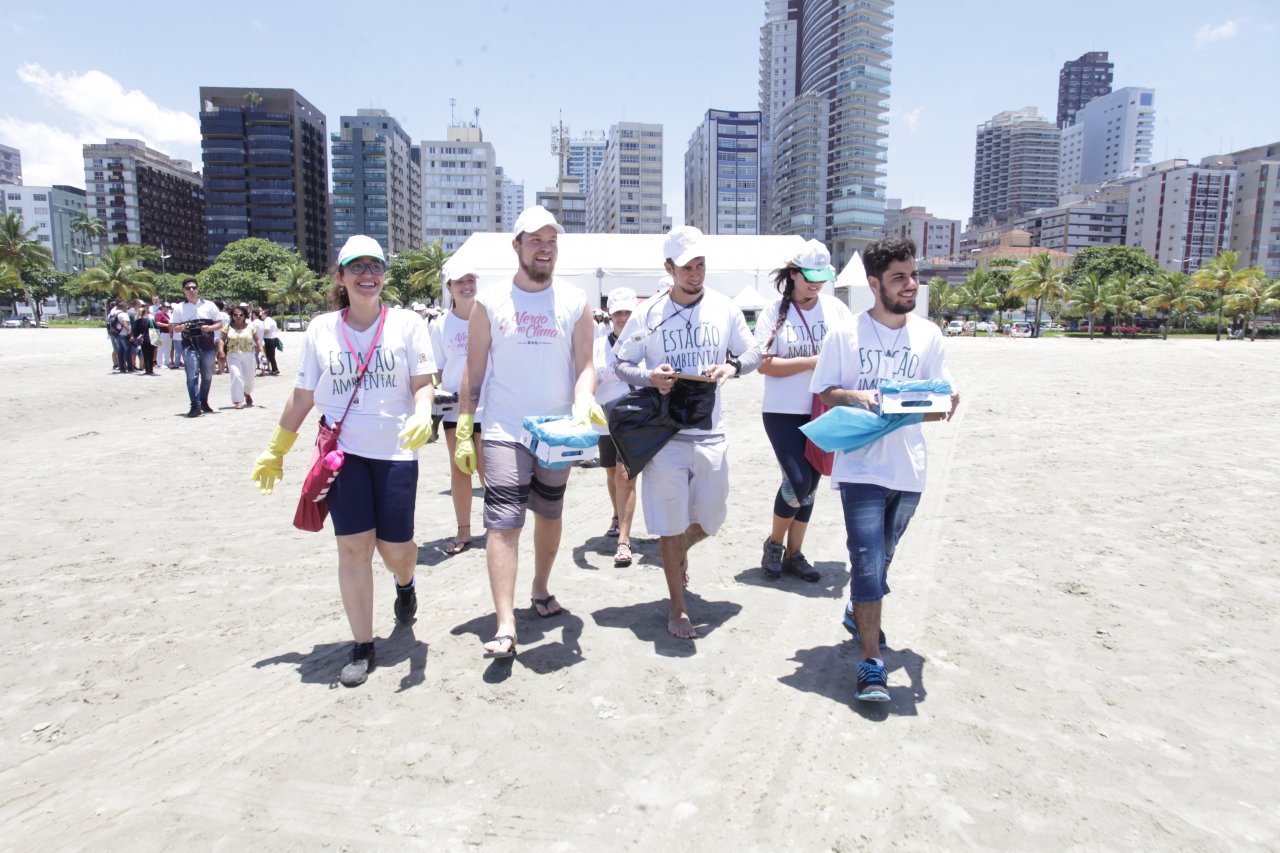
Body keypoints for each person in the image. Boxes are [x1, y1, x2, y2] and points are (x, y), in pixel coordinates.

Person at [251, 234, 437, 688]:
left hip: (395, 450)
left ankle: (405, 582)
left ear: (384, 276)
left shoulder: (407, 324)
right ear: (340, 277)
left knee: (395, 550)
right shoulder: (320, 329)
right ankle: (362, 643)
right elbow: (303, 395)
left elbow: (423, 381)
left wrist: (424, 411)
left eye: (375, 266)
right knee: (353, 547)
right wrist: (277, 448)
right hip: (343, 454)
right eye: (357, 267)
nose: (367, 275)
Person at [809, 236, 960, 703]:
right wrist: (861, 397)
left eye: (913, 275)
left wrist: (947, 402)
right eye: (899, 277)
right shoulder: (845, 334)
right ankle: (872, 664)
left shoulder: (929, 336)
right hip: (860, 465)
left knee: (885, 554)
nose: (911, 284)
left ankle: (859, 609)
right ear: (874, 284)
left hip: (909, 465)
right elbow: (826, 391)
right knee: (867, 560)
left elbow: (938, 406)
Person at [456, 205, 598, 659]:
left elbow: (586, 366)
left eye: (551, 241)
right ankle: (504, 622)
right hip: (504, 427)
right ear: (516, 245)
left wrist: (585, 401)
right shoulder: (489, 303)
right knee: (503, 520)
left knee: (550, 513)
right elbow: (473, 372)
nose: (545, 248)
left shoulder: (576, 301)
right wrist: (465, 426)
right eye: (535, 240)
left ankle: (539, 587)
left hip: (558, 433)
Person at [613, 225, 761, 639]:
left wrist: (731, 367)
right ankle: (677, 609)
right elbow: (620, 364)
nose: (695, 274)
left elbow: (753, 353)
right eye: (686, 267)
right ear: (668, 268)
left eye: (700, 265)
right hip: (665, 436)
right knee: (669, 526)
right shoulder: (648, 314)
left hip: (711, 432)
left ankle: (679, 554)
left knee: (712, 519)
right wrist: (649, 376)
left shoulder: (725, 307)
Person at [756, 240, 851, 582]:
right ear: (794, 273)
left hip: (824, 409)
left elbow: (851, 352)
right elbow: (764, 365)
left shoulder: (836, 310)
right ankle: (774, 544)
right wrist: (812, 362)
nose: (816, 283)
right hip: (782, 411)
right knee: (796, 482)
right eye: (810, 276)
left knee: (811, 484)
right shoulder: (773, 311)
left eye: (822, 277)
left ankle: (796, 554)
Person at [428, 260, 487, 555]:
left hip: (490, 407)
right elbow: (436, 369)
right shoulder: (439, 325)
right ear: (448, 287)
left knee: (490, 471)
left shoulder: (490, 316)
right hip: (455, 409)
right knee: (460, 469)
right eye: (458, 282)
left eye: (470, 280)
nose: (466, 286)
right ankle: (464, 531)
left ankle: (499, 528)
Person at [594, 286, 640, 568]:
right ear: (610, 314)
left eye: (628, 312)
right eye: (618, 312)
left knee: (626, 475)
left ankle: (624, 538)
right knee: (612, 474)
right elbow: (589, 376)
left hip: (634, 418)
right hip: (604, 419)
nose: (623, 317)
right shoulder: (598, 346)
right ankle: (617, 514)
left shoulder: (643, 342)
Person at [170, 277, 222, 418]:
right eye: (188, 288)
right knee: (192, 376)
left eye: (194, 287)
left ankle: (203, 401)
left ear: (198, 289)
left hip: (207, 344)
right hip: (189, 344)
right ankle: (195, 405)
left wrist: (209, 327)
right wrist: (183, 326)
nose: (191, 290)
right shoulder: (179, 308)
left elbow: (220, 324)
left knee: (207, 376)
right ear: (184, 291)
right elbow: (175, 328)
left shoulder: (209, 305)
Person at [225, 305, 264, 409]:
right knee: (236, 376)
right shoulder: (227, 327)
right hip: (233, 354)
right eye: (235, 314)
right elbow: (221, 340)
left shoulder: (250, 327)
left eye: (241, 314)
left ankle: (247, 393)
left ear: (244, 315)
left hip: (249, 354)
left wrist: (262, 351)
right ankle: (238, 400)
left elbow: (258, 340)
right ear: (232, 316)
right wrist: (220, 351)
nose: (238, 316)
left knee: (249, 378)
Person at [131, 302, 158, 376]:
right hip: (151, 338)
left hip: (143, 339)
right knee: (151, 354)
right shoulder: (150, 320)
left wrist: (137, 337)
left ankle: (147, 370)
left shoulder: (137, 321)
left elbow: (134, 331)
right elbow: (156, 328)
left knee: (145, 354)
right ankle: (151, 370)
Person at [107, 300, 132, 373]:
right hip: (124, 334)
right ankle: (130, 367)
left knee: (120, 352)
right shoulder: (123, 314)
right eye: (126, 306)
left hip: (116, 334)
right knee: (127, 351)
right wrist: (129, 332)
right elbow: (125, 324)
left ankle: (122, 368)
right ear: (123, 307)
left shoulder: (112, 313)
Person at [260, 307, 281, 375]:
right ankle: (274, 368)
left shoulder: (267, 320)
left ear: (265, 314)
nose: (261, 315)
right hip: (274, 339)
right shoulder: (272, 320)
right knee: (272, 356)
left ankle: (275, 369)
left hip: (269, 339)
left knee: (270, 356)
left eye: (262, 313)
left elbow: (267, 329)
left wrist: (262, 335)